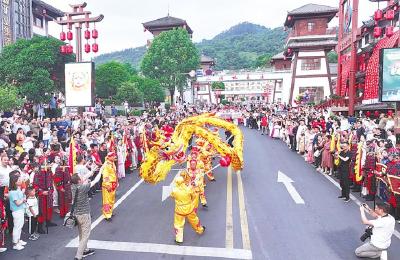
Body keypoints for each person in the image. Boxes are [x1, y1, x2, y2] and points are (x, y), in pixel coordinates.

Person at [70, 169, 102, 260]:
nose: (82, 177)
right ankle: (78, 255)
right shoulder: (83, 188)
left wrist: (91, 171)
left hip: (77, 214)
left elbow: (83, 178)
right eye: (81, 177)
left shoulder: (73, 187)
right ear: (79, 181)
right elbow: (96, 181)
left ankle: (85, 249)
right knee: (85, 235)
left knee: (81, 233)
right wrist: (100, 171)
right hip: (84, 214)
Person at [170, 176, 205, 244]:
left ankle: (179, 239)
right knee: (194, 220)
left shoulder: (174, 190)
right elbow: (194, 196)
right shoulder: (188, 189)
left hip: (179, 210)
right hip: (189, 208)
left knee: (178, 224)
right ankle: (200, 230)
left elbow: (172, 196)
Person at [8, 172, 27, 250]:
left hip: (20, 210)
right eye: (19, 180)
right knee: (17, 227)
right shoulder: (13, 192)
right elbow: (18, 203)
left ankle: (18, 240)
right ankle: (15, 243)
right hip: (17, 211)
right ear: (15, 182)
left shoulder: (17, 189)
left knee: (20, 226)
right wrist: (23, 199)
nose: (21, 180)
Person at [102, 152, 118, 221]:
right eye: (113, 156)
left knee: (111, 199)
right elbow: (105, 176)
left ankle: (110, 212)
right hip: (108, 185)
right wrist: (107, 185)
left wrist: (116, 182)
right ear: (109, 157)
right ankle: (107, 215)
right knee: (107, 201)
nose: (115, 157)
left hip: (113, 184)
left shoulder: (112, 163)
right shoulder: (106, 165)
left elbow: (114, 174)